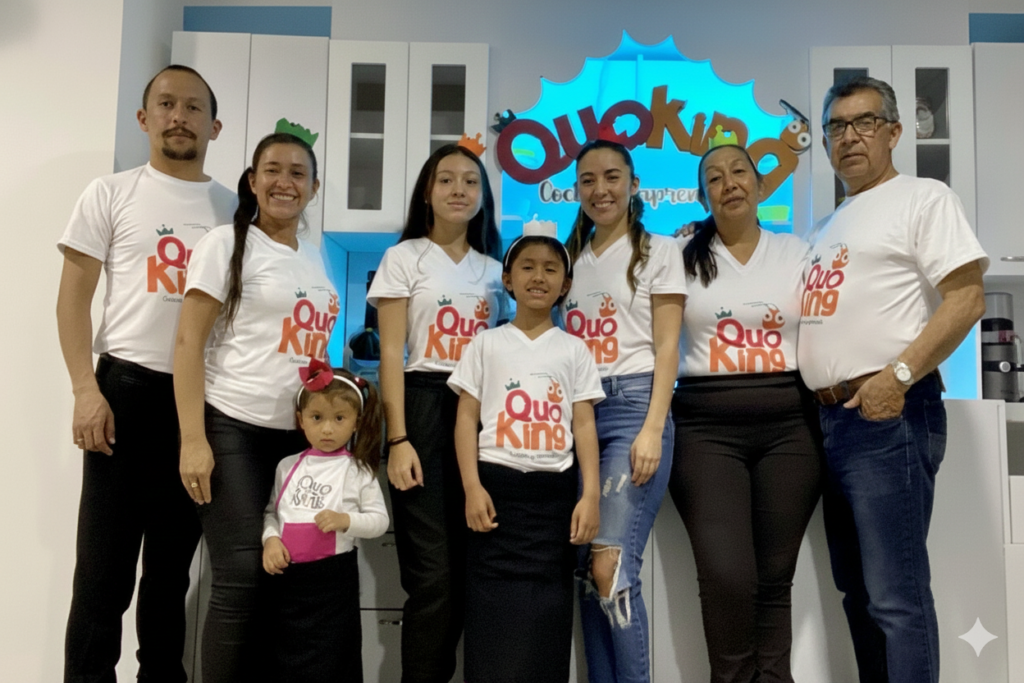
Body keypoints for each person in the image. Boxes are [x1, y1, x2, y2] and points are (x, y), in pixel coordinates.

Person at [799, 75, 987, 683]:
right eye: (837, 126)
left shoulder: (922, 198)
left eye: (865, 123)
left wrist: (897, 377)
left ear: (895, 133)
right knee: (857, 593)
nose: (849, 137)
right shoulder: (826, 227)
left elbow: (966, 299)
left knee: (895, 597)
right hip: (830, 423)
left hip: (889, 416)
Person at [56, 65, 234, 683]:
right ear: (144, 117)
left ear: (214, 125)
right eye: (165, 104)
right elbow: (72, 300)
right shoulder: (111, 193)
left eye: (192, 107)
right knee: (101, 577)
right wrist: (85, 390)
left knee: (170, 577)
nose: (178, 115)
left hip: (198, 409)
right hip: (123, 396)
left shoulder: (235, 211)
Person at [174, 131, 337, 683]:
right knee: (242, 573)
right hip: (233, 428)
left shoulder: (313, 259)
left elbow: (304, 351)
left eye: (297, 172)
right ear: (252, 180)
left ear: (314, 188)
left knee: (282, 575)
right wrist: (193, 439)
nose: (284, 182)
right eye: (272, 169)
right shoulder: (226, 243)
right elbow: (187, 343)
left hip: (293, 441)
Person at [670, 144, 822, 682]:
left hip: (791, 427)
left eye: (739, 172)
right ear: (703, 195)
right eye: (714, 177)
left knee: (774, 577)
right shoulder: (680, 254)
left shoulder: (798, 252)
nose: (729, 182)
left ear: (760, 185)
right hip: (704, 427)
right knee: (727, 574)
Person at [368, 143, 504, 683]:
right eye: (445, 180)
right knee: (433, 578)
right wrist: (397, 440)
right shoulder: (404, 258)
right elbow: (391, 354)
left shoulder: (498, 270)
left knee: (477, 572)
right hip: (423, 408)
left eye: (470, 182)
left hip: (487, 414)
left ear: (482, 196)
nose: (458, 190)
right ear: (428, 192)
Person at [448, 225, 604, 682]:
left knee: (548, 619)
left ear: (566, 285)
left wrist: (590, 495)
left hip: (553, 499)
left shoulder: (575, 350)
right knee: (491, 621)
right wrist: (472, 487)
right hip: (495, 495)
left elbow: (583, 424)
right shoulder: (485, 343)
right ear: (508, 279)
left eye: (551, 269)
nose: (539, 277)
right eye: (528, 267)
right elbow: (464, 419)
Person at [564, 139, 686, 683]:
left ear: (634, 185)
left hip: (634, 405)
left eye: (612, 177)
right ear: (577, 190)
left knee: (611, 566)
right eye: (588, 180)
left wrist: (653, 428)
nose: (600, 189)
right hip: (577, 414)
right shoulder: (569, 258)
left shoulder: (659, 251)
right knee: (587, 574)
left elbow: (667, 347)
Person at [262, 361, 388, 683]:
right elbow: (272, 514)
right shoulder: (286, 466)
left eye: (339, 419)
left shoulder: (358, 471)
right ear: (301, 420)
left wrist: (346, 520)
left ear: (356, 422)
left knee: (334, 663)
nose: (328, 429)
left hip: (333, 585)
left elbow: (379, 521)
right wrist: (271, 540)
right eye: (317, 418)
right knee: (282, 660)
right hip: (288, 585)